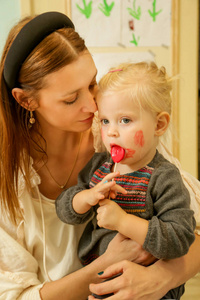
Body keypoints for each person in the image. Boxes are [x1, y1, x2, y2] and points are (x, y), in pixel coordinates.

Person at [0, 11, 199, 300]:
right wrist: (106, 265)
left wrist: (159, 278)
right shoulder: (10, 175)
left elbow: (191, 228)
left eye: (92, 84)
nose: (93, 106)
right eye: (71, 99)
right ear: (26, 100)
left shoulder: (113, 134)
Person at [55, 62, 196, 299]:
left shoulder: (163, 177)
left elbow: (179, 240)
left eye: (125, 121)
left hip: (150, 290)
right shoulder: (99, 166)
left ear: (159, 125)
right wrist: (86, 197)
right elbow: (64, 209)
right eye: (105, 121)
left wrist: (123, 222)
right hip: (100, 281)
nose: (111, 132)